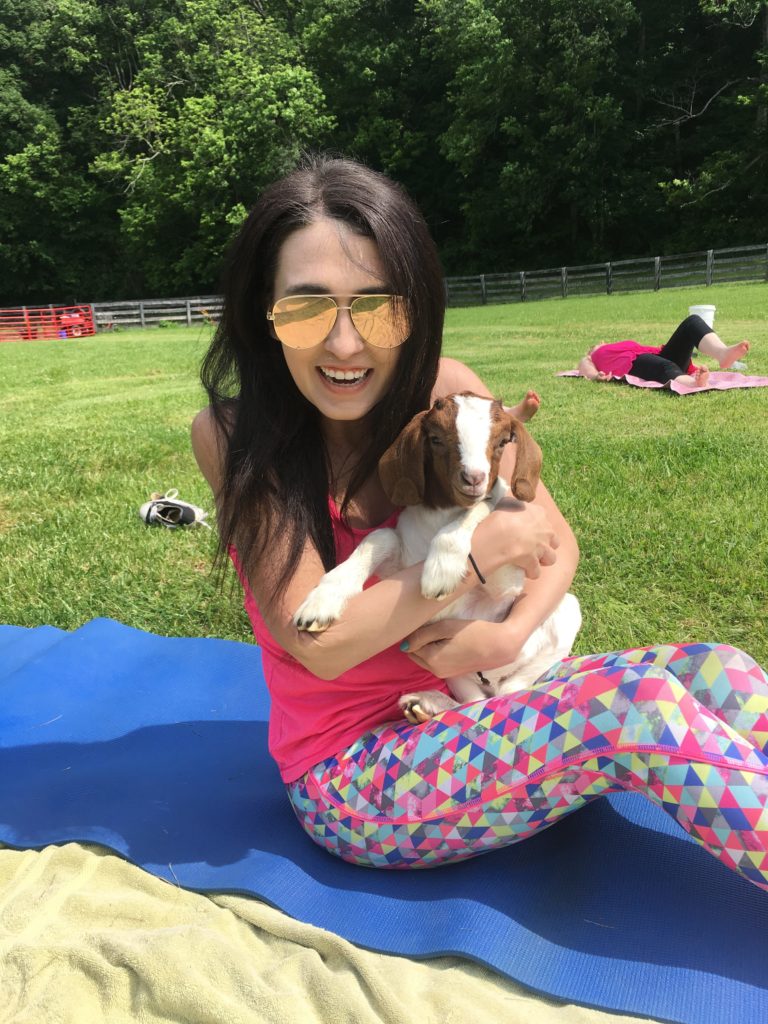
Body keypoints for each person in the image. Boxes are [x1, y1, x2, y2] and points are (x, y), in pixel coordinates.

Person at [192, 155, 768, 890]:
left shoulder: (449, 395)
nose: (343, 344)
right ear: (263, 315)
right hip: (359, 774)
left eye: (375, 307)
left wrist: (505, 634)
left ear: (415, 309)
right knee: (639, 709)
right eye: (307, 308)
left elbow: (555, 547)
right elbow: (325, 648)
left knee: (722, 671)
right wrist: (474, 557)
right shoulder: (238, 434)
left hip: (496, 692)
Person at [577, 315, 751, 388]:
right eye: (596, 345)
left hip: (655, 355)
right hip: (632, 364)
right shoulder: (593, 355)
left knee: (692, 322)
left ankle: (722, 353)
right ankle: (692, 384)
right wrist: (594, 375)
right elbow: (584, 364)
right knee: (663, 365)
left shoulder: (616, 346)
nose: (600, 344)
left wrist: (693, 368)